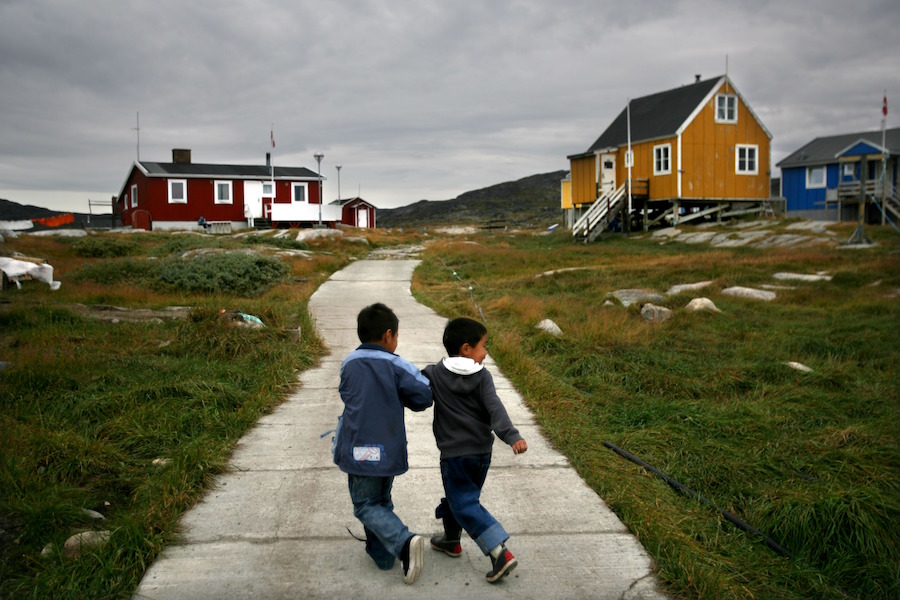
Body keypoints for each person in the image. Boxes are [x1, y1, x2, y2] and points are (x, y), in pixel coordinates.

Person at [333, 303, 433, 584]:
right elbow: (424, 395)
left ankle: (404, 542)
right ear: (389, 335)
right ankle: (383, 554)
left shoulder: (349, 362)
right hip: (387, 449)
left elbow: (346, 393)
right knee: (379, 502)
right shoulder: (397, 364)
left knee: (365, 504)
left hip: (358, 448)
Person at [423, 317, 528, 583]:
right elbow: (496, 409)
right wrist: (511, 435)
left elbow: (411, 384)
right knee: (461, 498)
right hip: (481, 454)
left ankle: (498, 552)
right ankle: (450, 540)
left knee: (463, 501)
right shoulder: (483, 377)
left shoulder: (435, 373)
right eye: (484, 346)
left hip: (454, 455)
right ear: (466, 349)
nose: (486, 352)